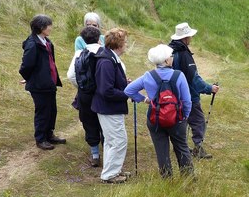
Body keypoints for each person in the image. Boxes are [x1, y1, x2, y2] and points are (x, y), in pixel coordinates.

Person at [125, 44, 194, 178]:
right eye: (171, 56)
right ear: (167, 60)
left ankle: (167, 180)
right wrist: (184, 117)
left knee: (161, 151)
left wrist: (145, 100)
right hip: (177, 118)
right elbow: (187, 101)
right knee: (182, 148)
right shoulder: (179, 75)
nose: (172, 58)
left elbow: (129, 90)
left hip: (155, 118)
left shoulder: (148, 76)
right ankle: (188, 179)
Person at [168, 22, 219, 159]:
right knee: (198, 121)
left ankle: (179, 146)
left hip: (173, 94)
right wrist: (209, 88)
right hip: (189, 95)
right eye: (190, 36)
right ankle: (198, 148)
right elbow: (194, 79)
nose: (191, 38)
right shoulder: (184, 54)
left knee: (181, 120)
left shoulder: (170, 50)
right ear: (185, 38)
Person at [18, 14, 65, 150]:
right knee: (42, 111)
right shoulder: (33, 44)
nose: (51, 27)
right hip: (39, 86)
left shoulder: (47, 42)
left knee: (52, 110)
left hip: (49, 83)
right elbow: (26, 66)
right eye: (48, 25)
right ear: (41, 28)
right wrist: (29, 78)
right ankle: (41, 139)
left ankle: (49, 135)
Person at [91, 28, 130, 184]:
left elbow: (110, 84)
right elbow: (106, 90)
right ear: (118, 44)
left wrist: (124, 85)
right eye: (124, 41)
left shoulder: (109, 58)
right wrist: (127, 93)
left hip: (108, 108)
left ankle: (112, 170)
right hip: (108, 108)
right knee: (118, 140)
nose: (126, 44)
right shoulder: (106, 61)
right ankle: (110, 175)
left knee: (112, 141)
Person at [66, 26, 104, 167]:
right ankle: (109, 152)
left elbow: (71, 75)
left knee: (88, 121)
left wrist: (82, 87)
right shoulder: (106, 53)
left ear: (82, 39)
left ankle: (95, 155)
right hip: (103, 94)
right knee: (105, 121)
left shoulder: (78, 54)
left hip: (85, 95)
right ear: (99, 38)